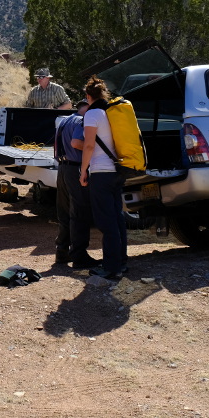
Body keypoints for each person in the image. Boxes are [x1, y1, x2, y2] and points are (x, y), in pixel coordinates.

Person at [79, 77, 128, 280]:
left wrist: (83, 171)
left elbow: (89, 145)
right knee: (117, 219)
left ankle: (110, 267)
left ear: (88, 96)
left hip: (101, 172)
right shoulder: (112, 112)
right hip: (117, 170)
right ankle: (121, 263)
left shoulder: (93, 114)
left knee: (106, 222)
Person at [54, 100, 99, 268]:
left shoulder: (64, 120)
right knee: (79, 212)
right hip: (75, 170)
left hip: (62, 169)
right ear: (86, 111)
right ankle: (79, 256)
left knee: (64, 212)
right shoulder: (82, 121)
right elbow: (76, 142)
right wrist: (94, 148)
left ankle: (62, 252)